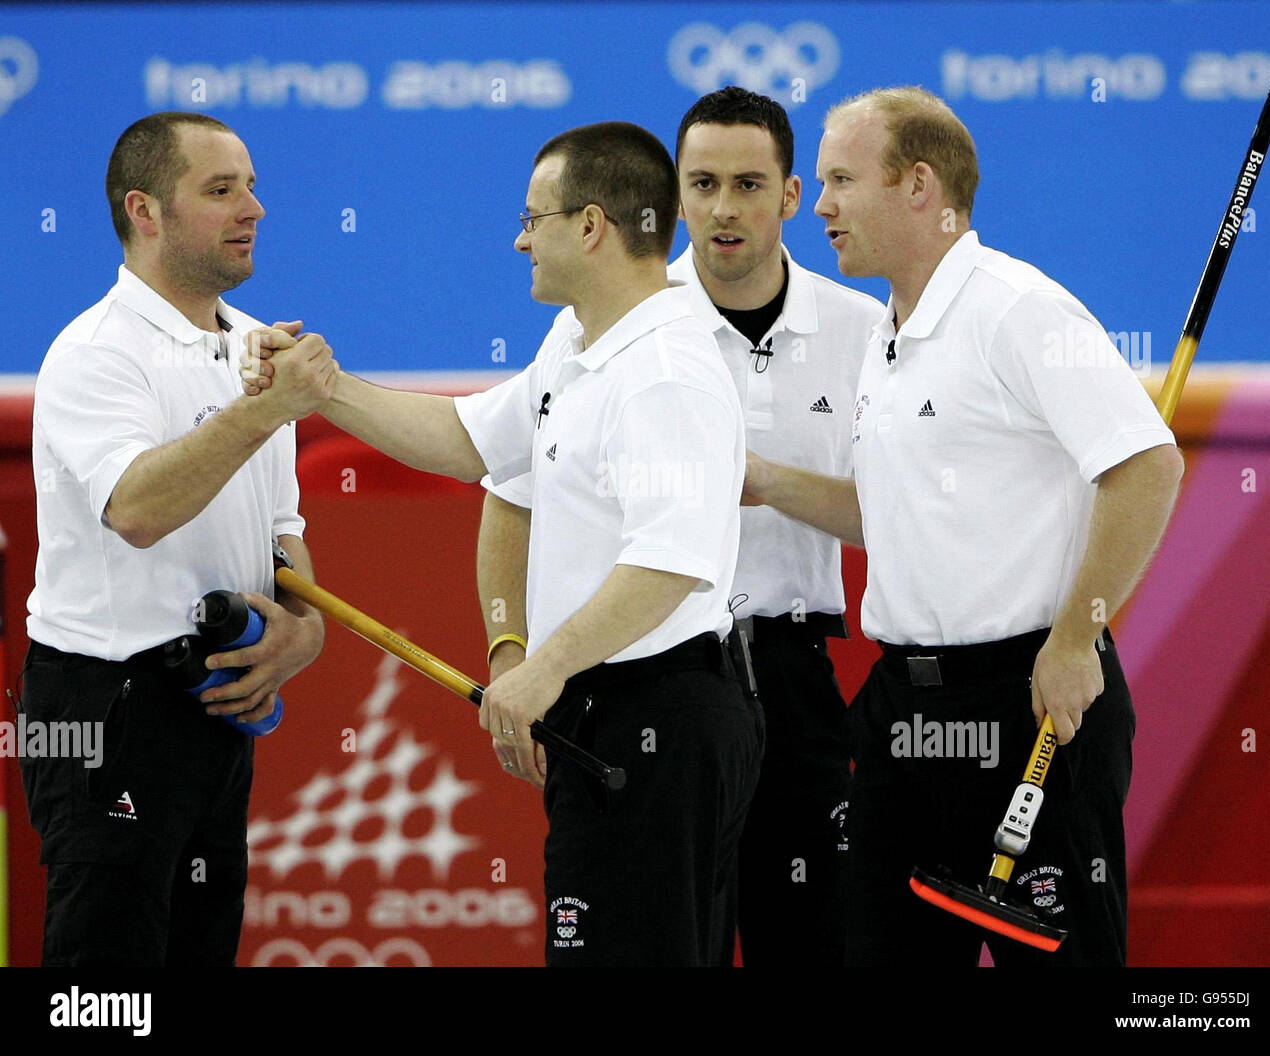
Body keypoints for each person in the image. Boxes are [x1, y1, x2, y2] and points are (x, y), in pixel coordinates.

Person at [248, 121, 763, 967]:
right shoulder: (579, 340)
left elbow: (671, 564)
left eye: (535, 217)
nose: (520, 238)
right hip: (605, 716)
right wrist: (323, 389)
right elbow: (468, 439)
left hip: (662, 724)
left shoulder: (666, 375)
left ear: (591, 227)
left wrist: (545, 667)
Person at [743, 87, 1184, 966]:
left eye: (840, 180)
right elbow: (889, 515)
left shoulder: (1017, 310)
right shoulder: (887, 335)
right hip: (904, 714)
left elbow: (1147, 466)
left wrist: (1075, 638)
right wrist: (756, 480)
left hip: (1030, 701)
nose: (819, 204)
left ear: (917, 185)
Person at [477, 87, 883, 965]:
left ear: (791, 195)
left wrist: (764, 480)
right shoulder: (603, 324)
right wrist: (513, 652)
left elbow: (894, 518)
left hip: (788, 674)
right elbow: (508, 488)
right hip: (639, 684)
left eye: (747, 183)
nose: (723, 209)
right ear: (671, 197)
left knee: (811, 941)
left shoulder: (862, 331)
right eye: (701, 183)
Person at [20, 111, 335, 966]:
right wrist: (265, 409)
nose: (255, 208)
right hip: (103, 704)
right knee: (106, 989)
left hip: (215, 704)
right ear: (145, 210)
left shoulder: (251, 345)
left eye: (254, 186)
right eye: (222, 189)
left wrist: (303, 630)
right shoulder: (96, 353)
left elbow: (281, 531)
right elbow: (136, 509)